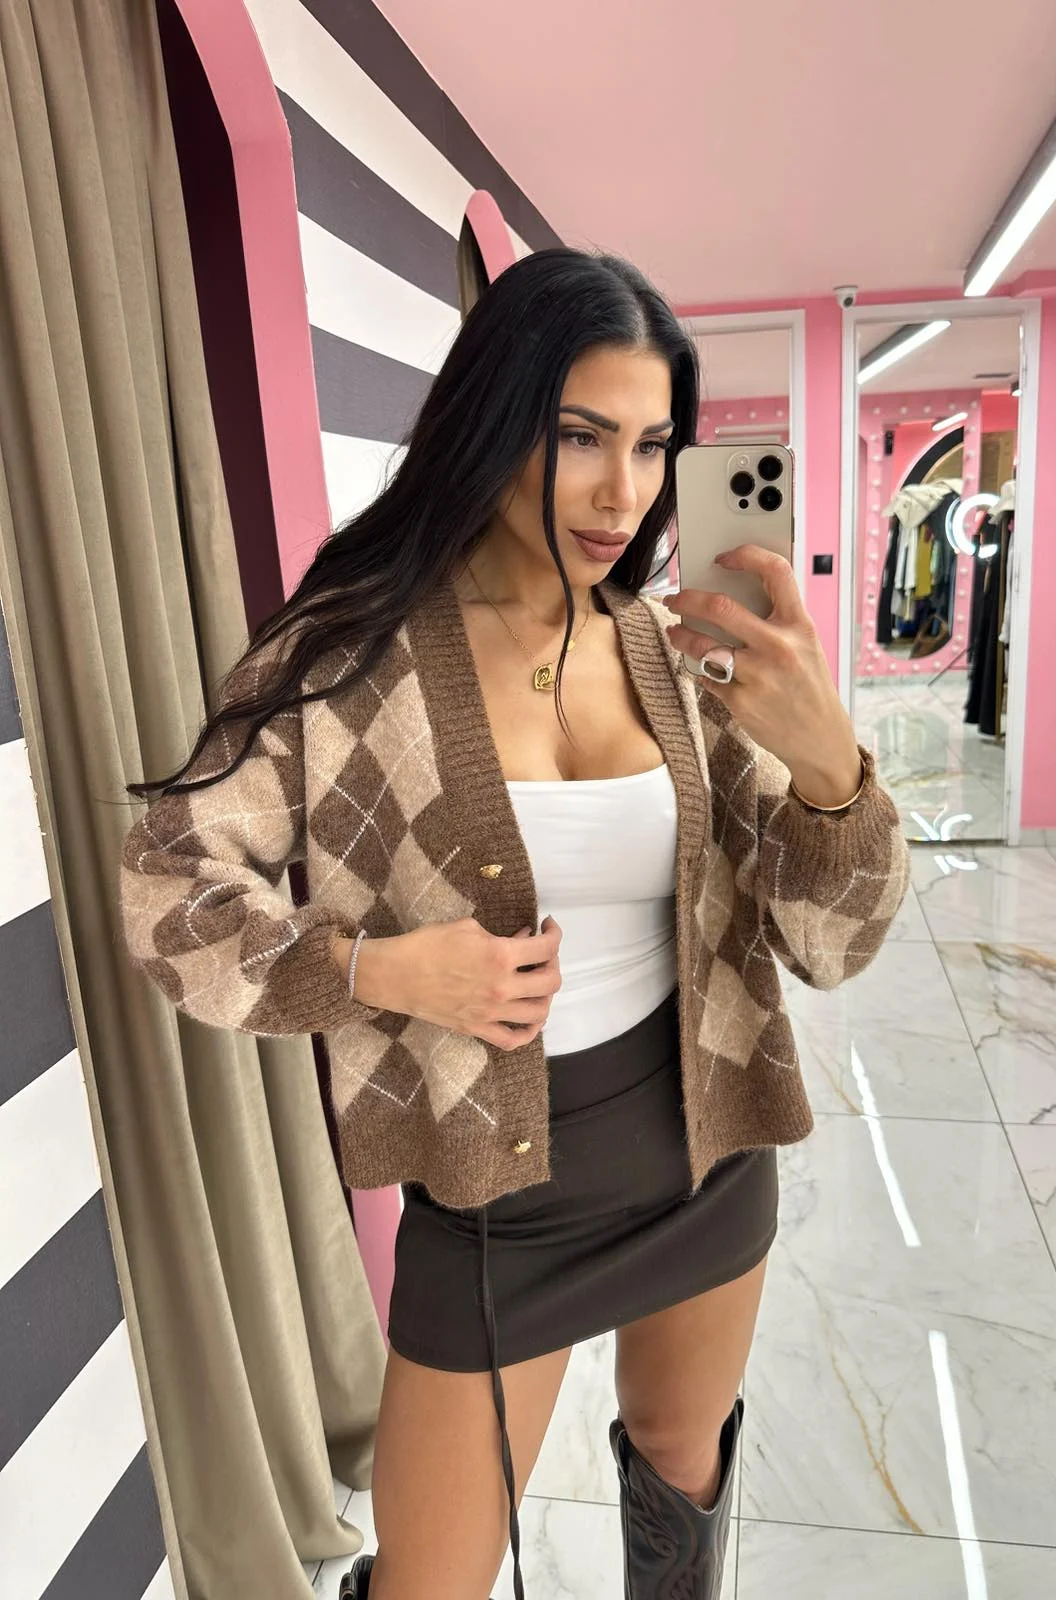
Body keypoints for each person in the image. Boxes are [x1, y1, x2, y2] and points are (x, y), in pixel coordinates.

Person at [120, 248, 910, 1600]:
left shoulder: (686, 655)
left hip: (707, 1145)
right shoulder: (348, 657)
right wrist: (376, 971)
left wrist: (831, 764)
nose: (625, 494)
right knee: (430, 1580)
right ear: (492, 419)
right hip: (496, 1198)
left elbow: (832, 944)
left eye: (653, 447)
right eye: (581, 436)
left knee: (683, 1470)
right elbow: (167, 886)